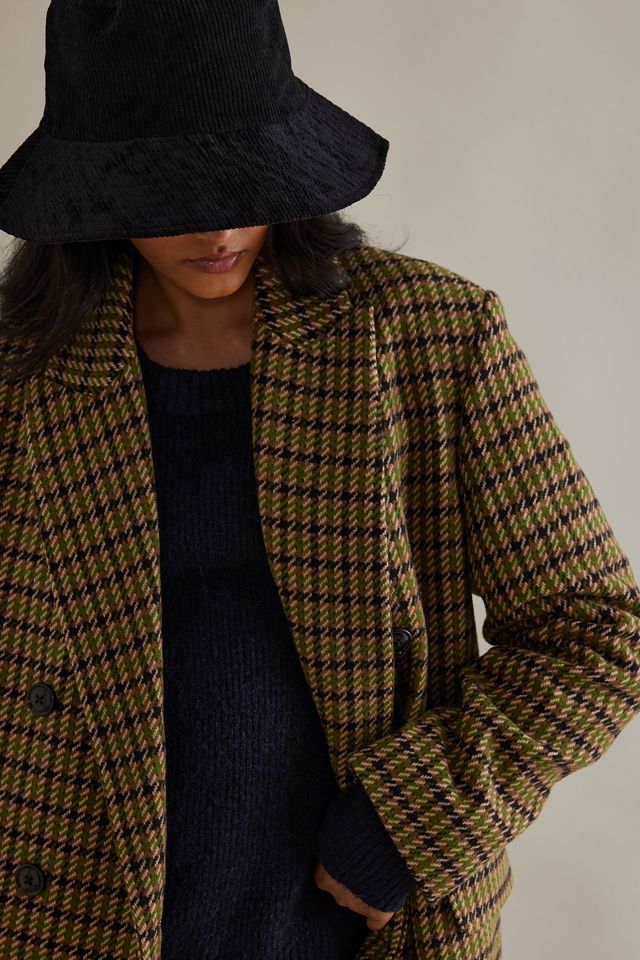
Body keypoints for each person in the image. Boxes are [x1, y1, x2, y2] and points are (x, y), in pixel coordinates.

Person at [1, 3, 639, 960]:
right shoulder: (24, 376)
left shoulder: (429, 337)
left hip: (355, 932)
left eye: (241, 178)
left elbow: (598, 631)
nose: (218, 225)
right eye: (171, 189)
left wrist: (413, 821)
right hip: (68, 923)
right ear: (96, 185)